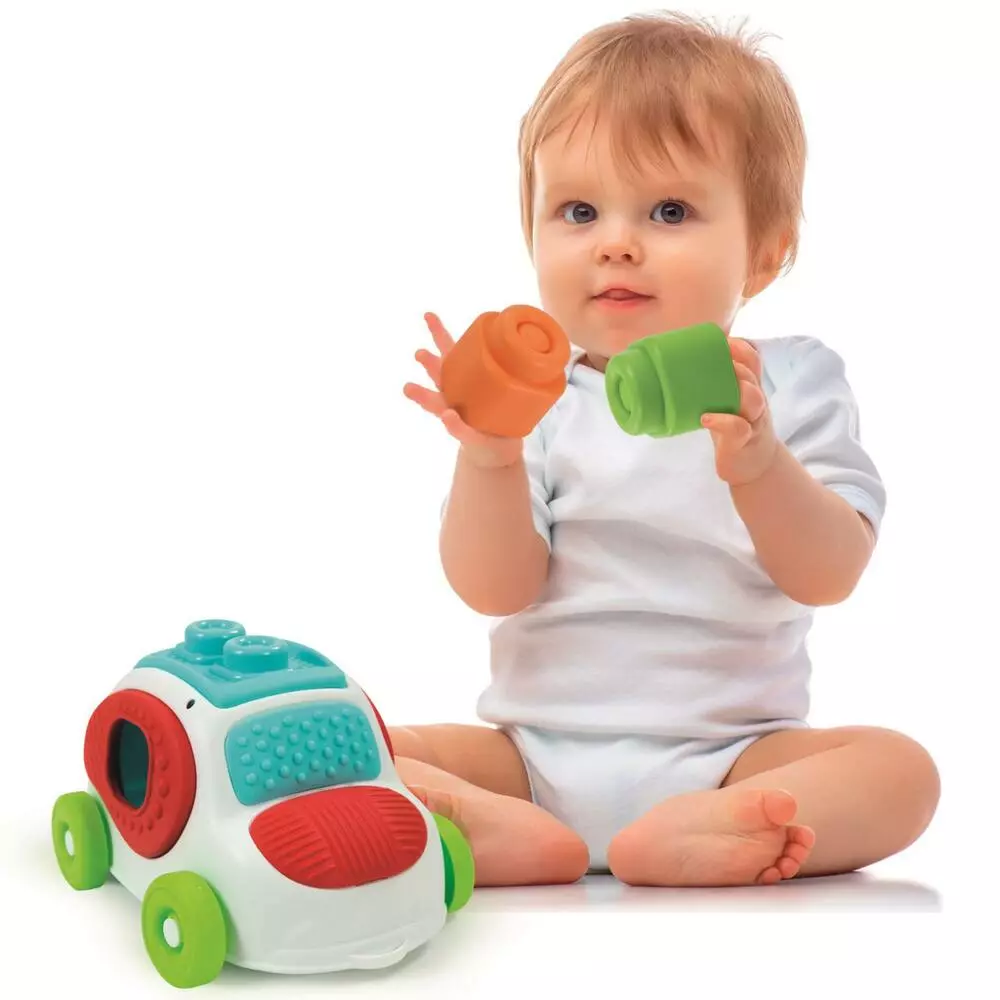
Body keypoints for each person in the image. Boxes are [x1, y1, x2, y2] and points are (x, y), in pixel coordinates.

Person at [398, 10, 939, 887]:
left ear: (763, 254)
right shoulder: (538, 402)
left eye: (670, 210)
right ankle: (515, 830)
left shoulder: (788, 383)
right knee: (376, 741)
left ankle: (701, 830)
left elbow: (830, 573)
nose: (616, 242)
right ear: (533, 235)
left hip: (734, 759)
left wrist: (760, 464)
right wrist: (488, 455)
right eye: (579, 211)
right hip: (530, 757)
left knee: (903, 773)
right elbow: (492, 589)